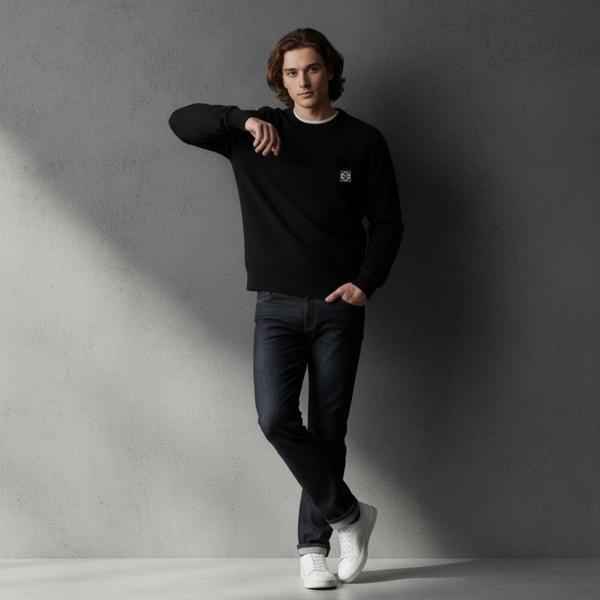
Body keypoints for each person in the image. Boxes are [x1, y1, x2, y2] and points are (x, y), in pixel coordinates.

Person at [168, 27, 404, 589]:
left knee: (328, 429)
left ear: (330, 71)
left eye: (312, 69)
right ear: (280, 78)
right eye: (292, 72)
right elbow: (181, 120)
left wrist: (365, 284)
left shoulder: (363, 141)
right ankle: (349, 515)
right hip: (275, 307)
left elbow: (388, 222)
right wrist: (241, 120)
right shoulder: (256, 133)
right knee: (275, 418)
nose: (303, 81)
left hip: (338, 308)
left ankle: (312, 549)